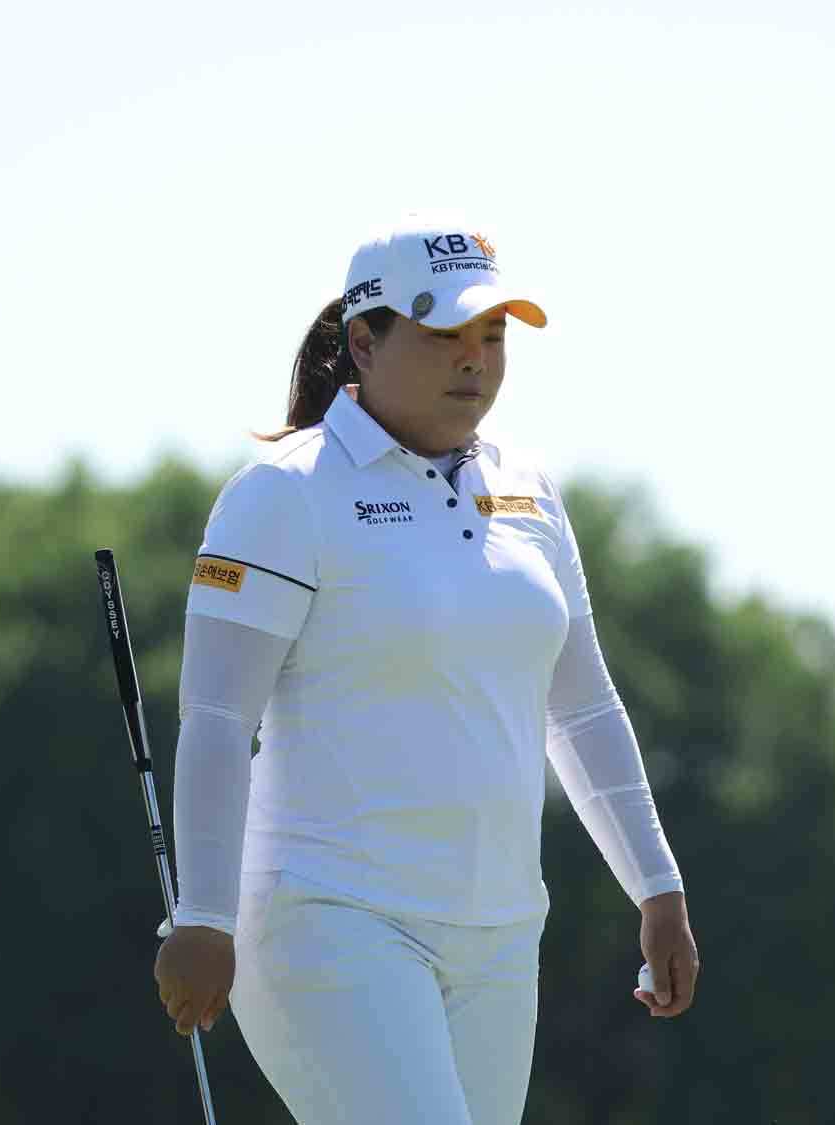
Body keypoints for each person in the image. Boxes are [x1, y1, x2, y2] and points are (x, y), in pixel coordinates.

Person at [154, 215, 699, 1124]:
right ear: (364, 342)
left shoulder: (529, 490)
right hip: (329, 916)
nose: (474, 359)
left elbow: (583, 709)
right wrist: (203, 914)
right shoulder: (283, 492)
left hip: (501, 932)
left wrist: (658, 886)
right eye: (443, 333)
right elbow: (216, 718)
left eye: (493, 334)